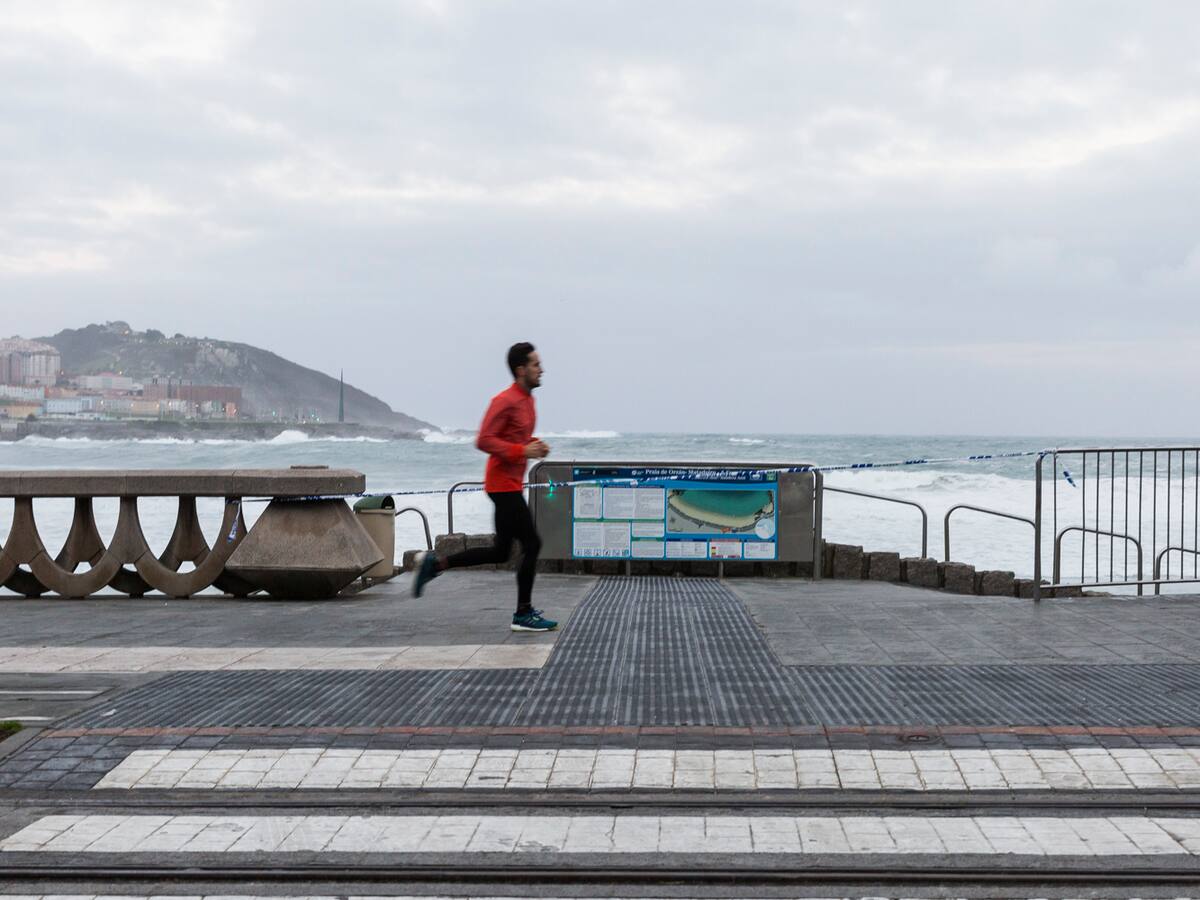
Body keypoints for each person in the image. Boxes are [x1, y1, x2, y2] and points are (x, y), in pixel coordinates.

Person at [412, 342, 557, 632]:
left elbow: (515, 438)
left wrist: (533, 445)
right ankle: (523, 614)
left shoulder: (528, 400)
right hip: (502, 485)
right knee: (532, 543)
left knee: (501, 552)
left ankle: (436, 565)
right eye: (535, 364)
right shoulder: (505, 400)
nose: (542, 369)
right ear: (520, 370)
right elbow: (485, 440)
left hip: (512, 483)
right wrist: (521, 451)